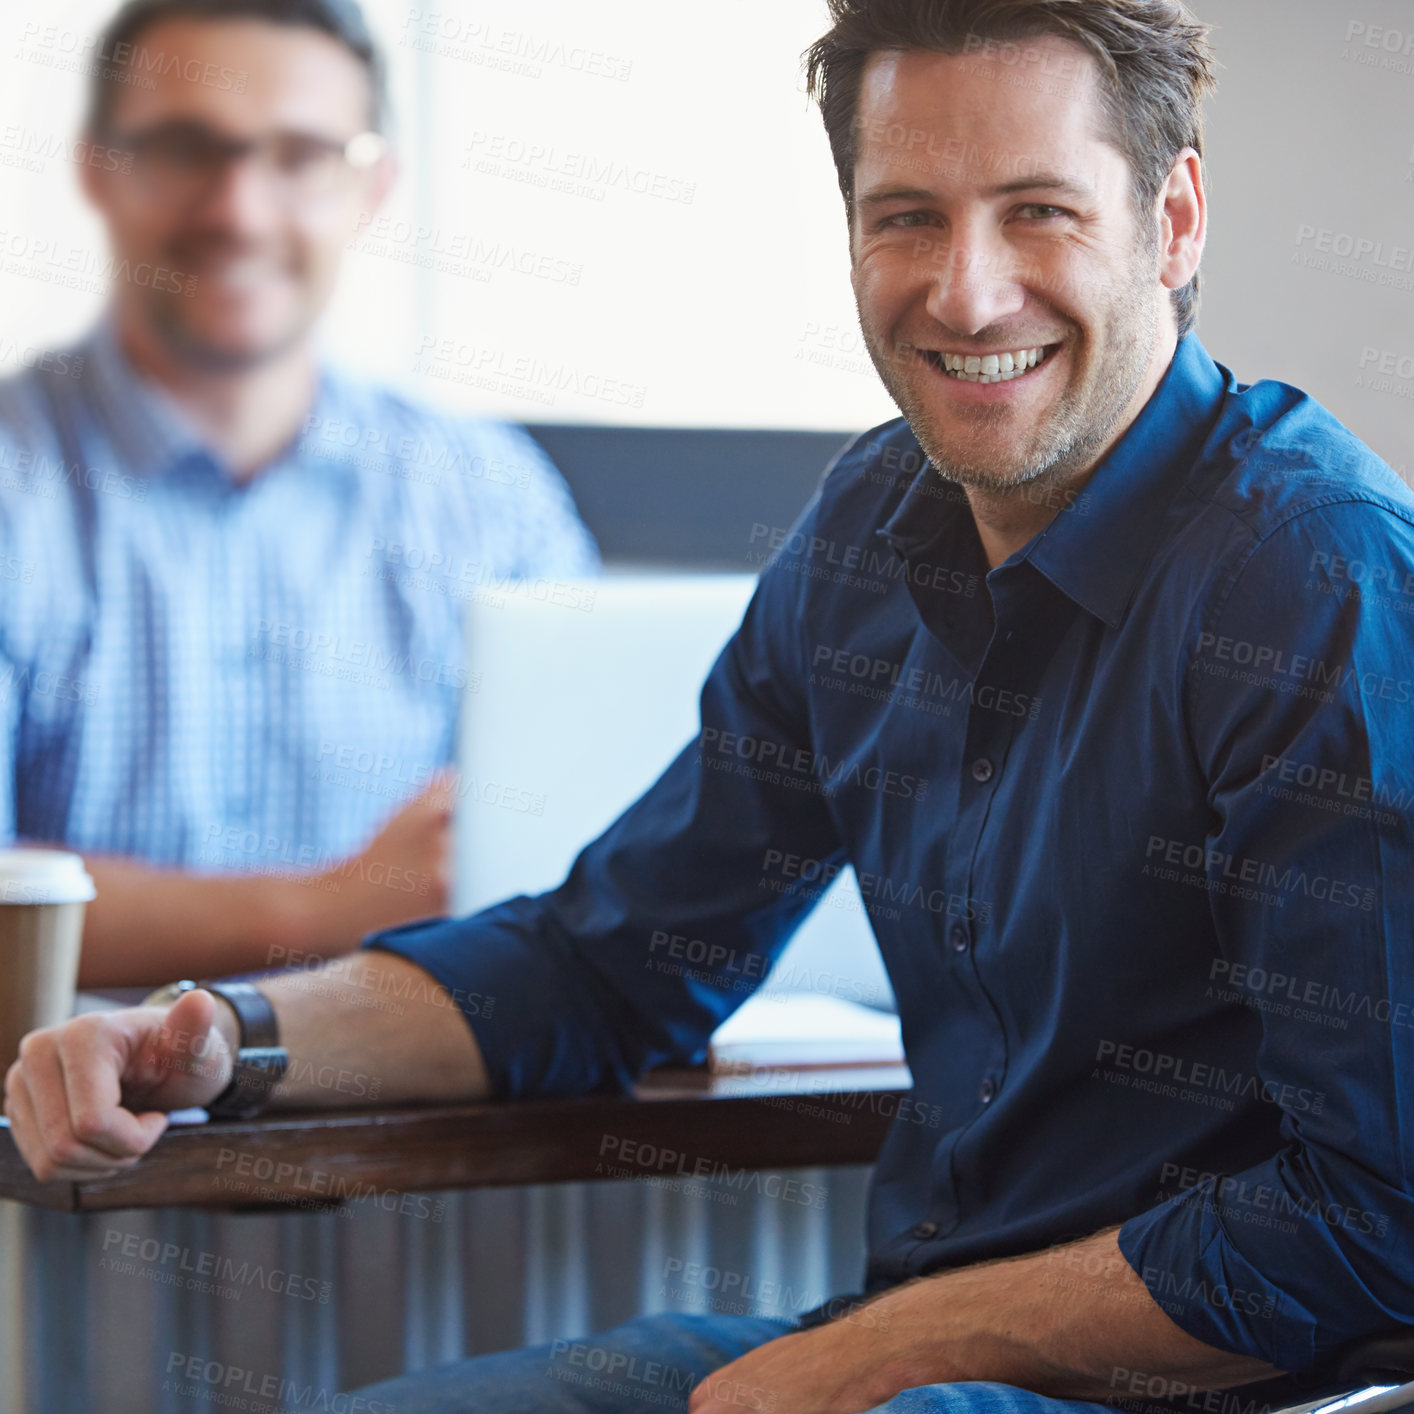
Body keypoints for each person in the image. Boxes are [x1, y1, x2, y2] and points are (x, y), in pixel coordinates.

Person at [8, 0, 1414, 1410]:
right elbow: (608, 966)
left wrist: (875, 1351)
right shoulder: (867, 529)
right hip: (906, 1345)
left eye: (1039, 211)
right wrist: (221, 1037)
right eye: (906, 217)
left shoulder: (1312, 569)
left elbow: (1375, 1222)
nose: (966, 292)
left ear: (1171, 219)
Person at [0, 0, 599, 986]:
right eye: (186, 149)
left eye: (302, 156)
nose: (239, 210)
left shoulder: (490, 500)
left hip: (421, 1118)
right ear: (97, 170)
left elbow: (581, 862)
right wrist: (323, 907)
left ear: (373, 186)